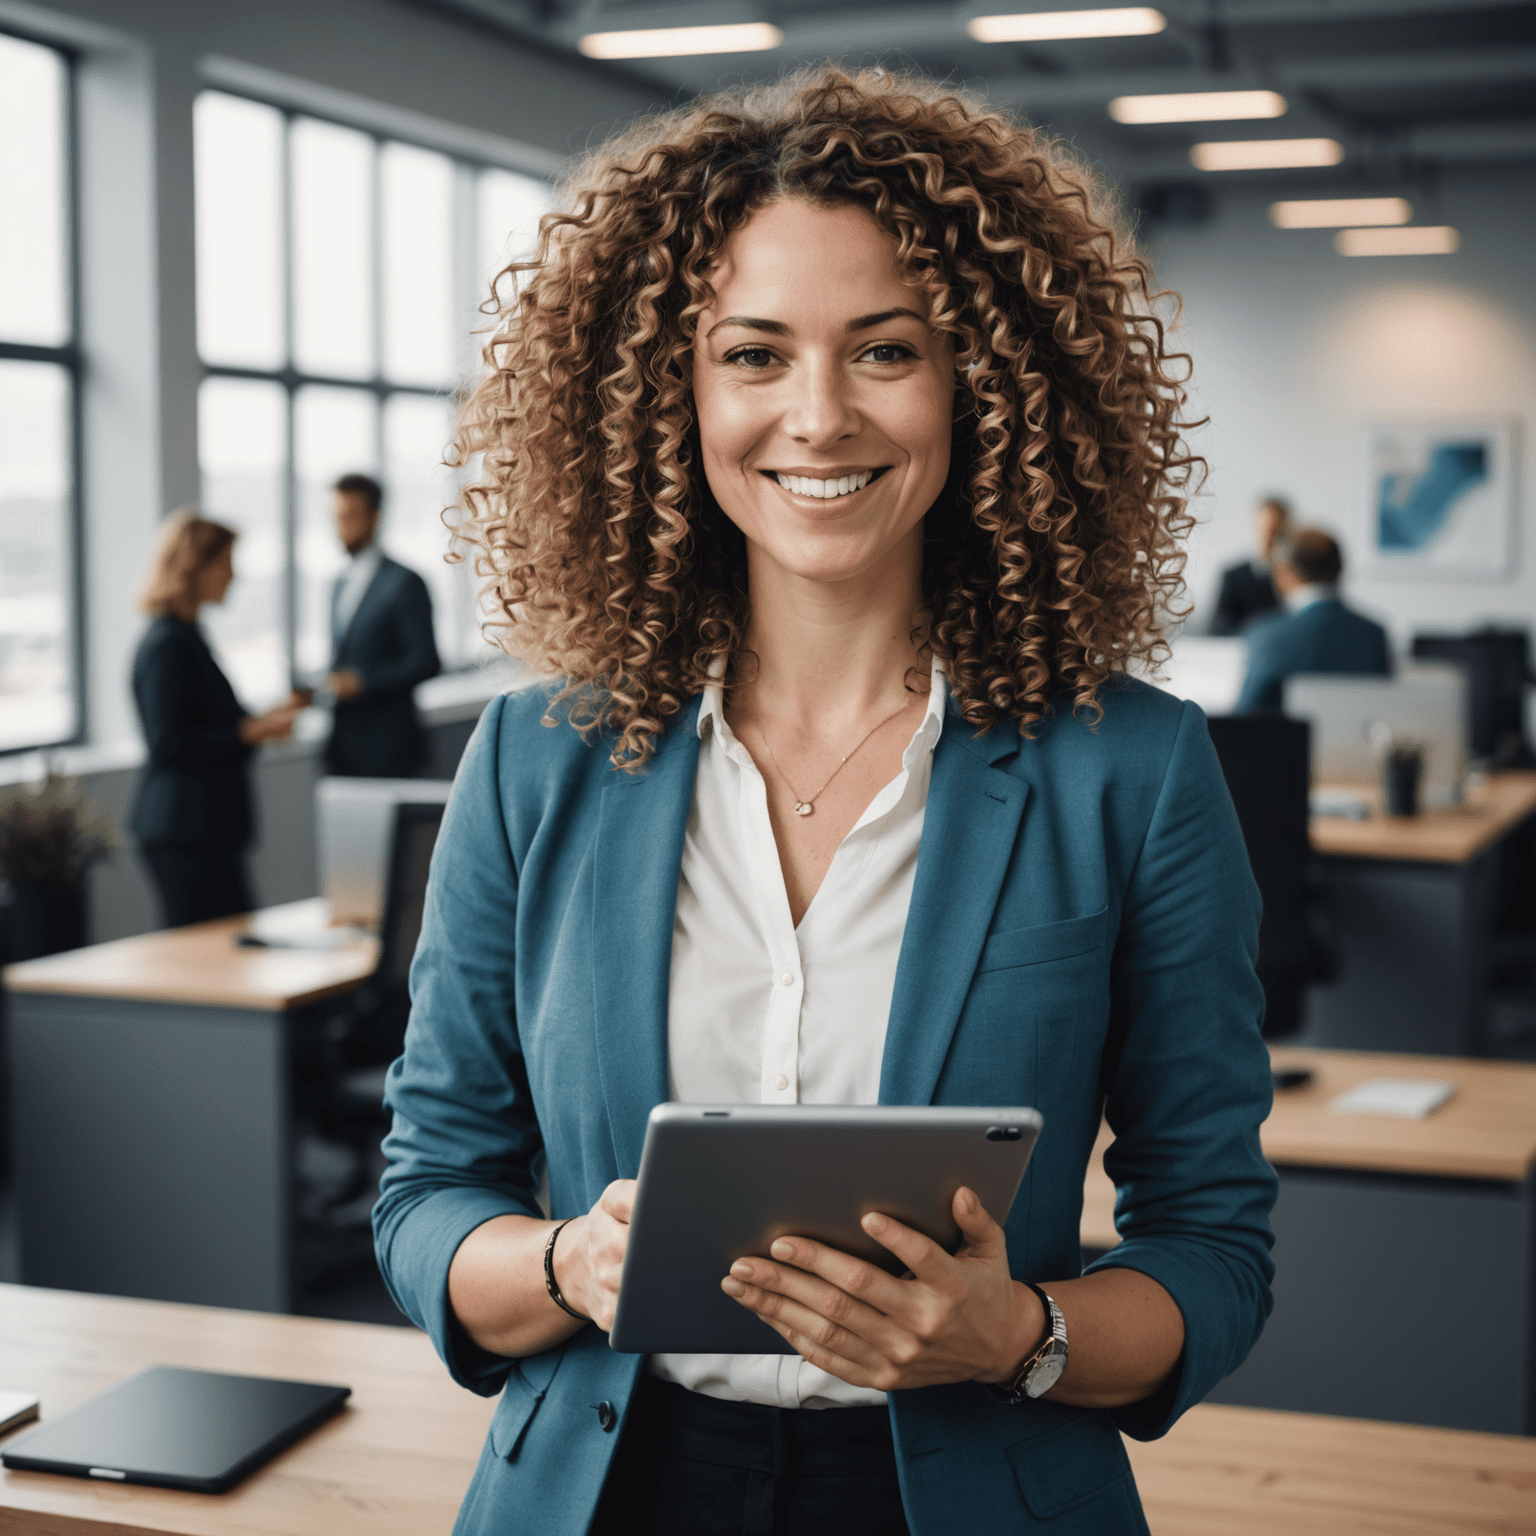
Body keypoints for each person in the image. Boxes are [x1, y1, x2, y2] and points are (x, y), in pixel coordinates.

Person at [374, 69, 1276, 1536]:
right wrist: (563, 1271)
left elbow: (1215, 1248)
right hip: (608, 1489)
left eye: (885, 350)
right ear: (670, 391)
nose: (818, 415)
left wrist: (1021, 1336)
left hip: (970, 1490)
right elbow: (427, 1196)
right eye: (751, 354)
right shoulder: (535, 758)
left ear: (981, 378)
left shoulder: (1132, 771)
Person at [130, 511, 300, 928]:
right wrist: (249, 731)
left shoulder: (188, 638)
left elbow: (204, 722)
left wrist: (257, 723)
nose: (233, 575)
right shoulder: (168, 644)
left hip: (201, 830)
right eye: (226, 563)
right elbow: (168, 743)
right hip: (184, 832)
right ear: (195, 567)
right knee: (206, 960)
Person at [321, 472, 440, 778]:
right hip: (343, 747)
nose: (341, 526)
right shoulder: (337, 583)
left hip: (389, 747)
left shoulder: (405, 582)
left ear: (375, 517)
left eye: (351, 516)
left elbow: (426, 661)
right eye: (336, 517)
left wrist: (363, 682)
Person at [1236, 528, 1391, 714]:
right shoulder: (1374, 634)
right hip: (1354, 743)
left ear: (1283, 573)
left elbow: (1242, 721)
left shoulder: (1266, 637)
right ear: (1339, 570)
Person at [1208, 496, 1290, 635]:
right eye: (1266, 529)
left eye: (1276, 531)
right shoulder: (1234, 576)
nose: (1270, 537)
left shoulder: (1299, 575)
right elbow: (1219, 627)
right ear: (1255, 525)